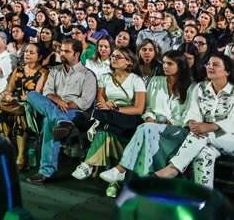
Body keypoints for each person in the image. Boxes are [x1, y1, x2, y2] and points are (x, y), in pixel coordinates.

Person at [99, 50, 193, 186]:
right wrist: (149, 118)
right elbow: (147, 108)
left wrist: (170, 123)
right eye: (164, 63)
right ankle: (146, 184)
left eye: (170, 63)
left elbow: (190, 115)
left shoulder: (192, 87)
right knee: (148, 134)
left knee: (146, 130)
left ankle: (121, 169)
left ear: (180, 66)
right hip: (154, 127)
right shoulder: (155, 81)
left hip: (178, 131)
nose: (165, 66)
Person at [154, 53, 234, 188]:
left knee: (203, 135)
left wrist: (211, 127)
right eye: (208, 64)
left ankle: (173, 169)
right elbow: (192, 111)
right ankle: (205, 198)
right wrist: (193, 124)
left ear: (227, 71)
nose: (210, 67)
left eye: (215, 65)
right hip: (205, 139)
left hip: (229, 139)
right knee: (203, 155)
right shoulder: (201, 88)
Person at [26, 39, 98, 185]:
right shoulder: (55, 71)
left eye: (66, 51)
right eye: (61, 50)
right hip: (55, 107)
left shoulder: (88, 75)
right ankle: (60, 120)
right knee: (31, 95)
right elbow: (47, 92)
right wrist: (58, 102)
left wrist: (65, 104)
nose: (62, 54)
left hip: (76, 112)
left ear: (77, 54)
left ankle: (45, 171)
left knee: (49, 121)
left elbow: (85, 102)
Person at [71, 47, 146, 183]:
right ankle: (94, 168)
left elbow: (139, 109)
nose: (114, 59)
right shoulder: (105, 77)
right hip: (109, 115)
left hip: (127, 116)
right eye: (113, 56)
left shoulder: (136, 80)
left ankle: (88, 164)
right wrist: (106, 105)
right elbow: (100, 99)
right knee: (105, 129)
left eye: (118, 57)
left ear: (129, 62)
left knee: (103, 124)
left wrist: (116, 108)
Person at [0, 43, 48, 170]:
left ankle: (21, 156)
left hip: (31, 106)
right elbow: (9, 88)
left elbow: (37, 94)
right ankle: (10, 152)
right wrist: (5, 94)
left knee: (21, 114)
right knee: (1, 113)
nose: (27, 55)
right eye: (26, 52)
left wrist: (16, 98)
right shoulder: (18, 70)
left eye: (31, 53)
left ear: (39, 56)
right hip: (14, 103)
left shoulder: (43, 73)